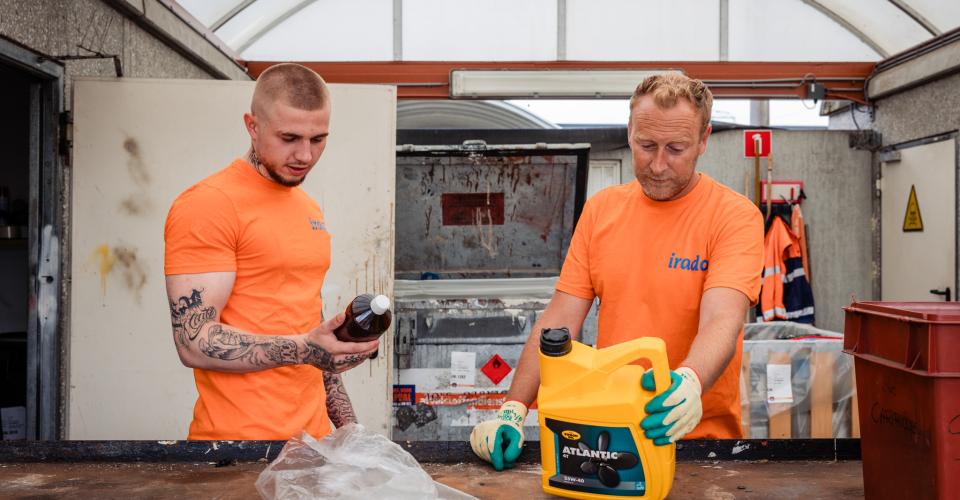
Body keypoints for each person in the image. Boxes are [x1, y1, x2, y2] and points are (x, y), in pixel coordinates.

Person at [470, 73, 764, 470]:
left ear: (704, 139)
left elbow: (722, 320)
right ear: (630, 131)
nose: (658, 164)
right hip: (610, 437)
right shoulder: (602, 211)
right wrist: (513, 408)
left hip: (698, 445)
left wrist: (690, 381)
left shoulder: (733, 216)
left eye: (676, 148)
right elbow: (559, 321)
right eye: (646, 146)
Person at [163, 63, 378, 440]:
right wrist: (306, 349)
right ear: (253, 126)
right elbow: (193, 342)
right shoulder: (210, 204)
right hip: (236, 447)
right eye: (289, 137)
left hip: (314, 444)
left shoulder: (308, 208)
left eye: (318, 139)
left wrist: (349, 432)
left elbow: (310, 330)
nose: (305, 155)